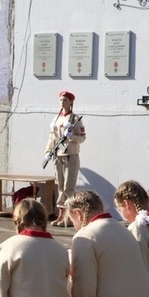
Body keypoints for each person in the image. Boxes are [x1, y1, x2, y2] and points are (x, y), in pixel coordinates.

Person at [45, 90, 86, 227]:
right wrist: (48, 151)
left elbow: (82, 137)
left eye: (66, 100)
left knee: (69, 188)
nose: (63, 102)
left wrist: (71, 137)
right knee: (60, 187)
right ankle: (61, 215)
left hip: (70, 156)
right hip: (58, 156)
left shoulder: (75, 119)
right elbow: (52, 137)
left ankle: (69, 217)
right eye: (61, 100)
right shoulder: (56, 119)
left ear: (71, 102)